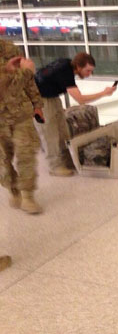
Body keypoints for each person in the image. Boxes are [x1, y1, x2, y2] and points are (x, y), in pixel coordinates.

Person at [34, 53, 116, 176]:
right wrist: (103, 93)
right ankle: (55, 166)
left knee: (63, 131)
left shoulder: (67, 65)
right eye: (87, 71)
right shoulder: (65, 71)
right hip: (39, 101)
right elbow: (80, 100)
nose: (89, 74)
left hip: (52, 97)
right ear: (78, 66)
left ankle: (67, 160)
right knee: (49, 134)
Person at [0, 39, 44, 214]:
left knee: (26, 152)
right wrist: (25, 72)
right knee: (2, 160)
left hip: (20, 113)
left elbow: (28, 81)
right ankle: (13, 189)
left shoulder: (9, 47)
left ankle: (27, 195)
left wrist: (37, 104)